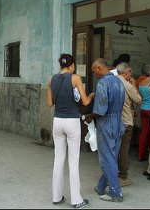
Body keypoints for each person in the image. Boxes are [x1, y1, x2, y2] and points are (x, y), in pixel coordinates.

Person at [47, 53, 94, 209]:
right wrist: (92, 95)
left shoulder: (51, 79)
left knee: (58, 159)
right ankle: (76, 200)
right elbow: (85, 101)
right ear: (72, 65)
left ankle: (57, 196)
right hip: (72, 121)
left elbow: (49, 103)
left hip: (57, 121)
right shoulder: (75, 78)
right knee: (73, 161)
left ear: (61, 65)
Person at [84, 58, 125, 203]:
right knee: (112, 157)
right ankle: (101, 187)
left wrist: (89, 116)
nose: (94, 74)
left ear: (99, 68)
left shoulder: (103, 83)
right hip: (118, 122)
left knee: (107, 159)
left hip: (105, 123)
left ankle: (115, 193)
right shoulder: (119, 81)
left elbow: (101, 110)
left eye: (94, 71)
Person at [116, 62, 141, 186]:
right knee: (124, 148)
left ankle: (111, 173)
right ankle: (122, 175)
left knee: (114, 147)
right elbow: (138, 100)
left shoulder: (112, 82)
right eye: (130, 72)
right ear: (126, 73)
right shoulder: (127, 85)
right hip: (126, 120)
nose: (131, 74)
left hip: (113, 121)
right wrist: (135, 85)